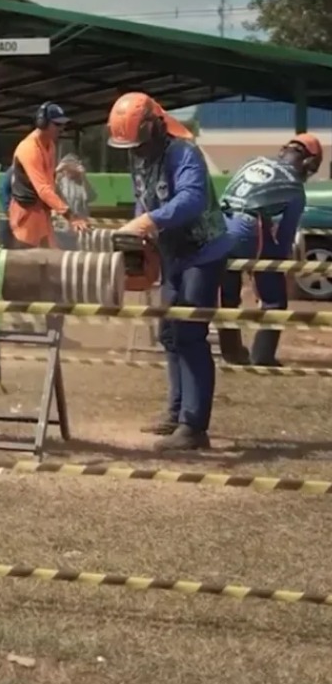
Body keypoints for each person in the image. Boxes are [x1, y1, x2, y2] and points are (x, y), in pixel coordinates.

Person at [107, 92, 230, 451]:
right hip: (173, 254)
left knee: (190, 333)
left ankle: (194, 427)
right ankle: (176, 413)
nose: (136, 151)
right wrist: (141, 237)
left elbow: (191, 199)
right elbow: (143, 197)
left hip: (202, 253)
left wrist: (149, 221)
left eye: (139, 144)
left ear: (156, 128)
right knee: (170, 334)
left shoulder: (183, 154)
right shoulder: (138, 155)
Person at [216, 134, 322, 366]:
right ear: (308, 163)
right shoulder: (295, 187)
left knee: (228, 295)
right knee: (274, 300)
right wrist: (278, 267)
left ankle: (231, 352)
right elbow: (285, 237)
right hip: (249, 228)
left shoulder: (254, 162)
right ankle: (262, 356)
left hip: (220, 225)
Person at [7, 102, 88, 247]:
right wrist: (70, 215)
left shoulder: (50, 146)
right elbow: (43, 189)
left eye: (63, 125)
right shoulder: (29, 148)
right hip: (27, 217)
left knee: (50, 255)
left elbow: (50, 182)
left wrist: (61, 207)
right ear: (42, 123)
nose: (61, 128)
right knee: (26, 258)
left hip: (43, 215)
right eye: (57, 124)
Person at [52, 153, 98, 249]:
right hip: (61, 228)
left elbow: (92, 197)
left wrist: (83, 176)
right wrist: (56, 171)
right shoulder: (60, 181)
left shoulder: (81, 182)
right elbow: (48, 193)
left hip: (80, 228)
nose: (69, 170)